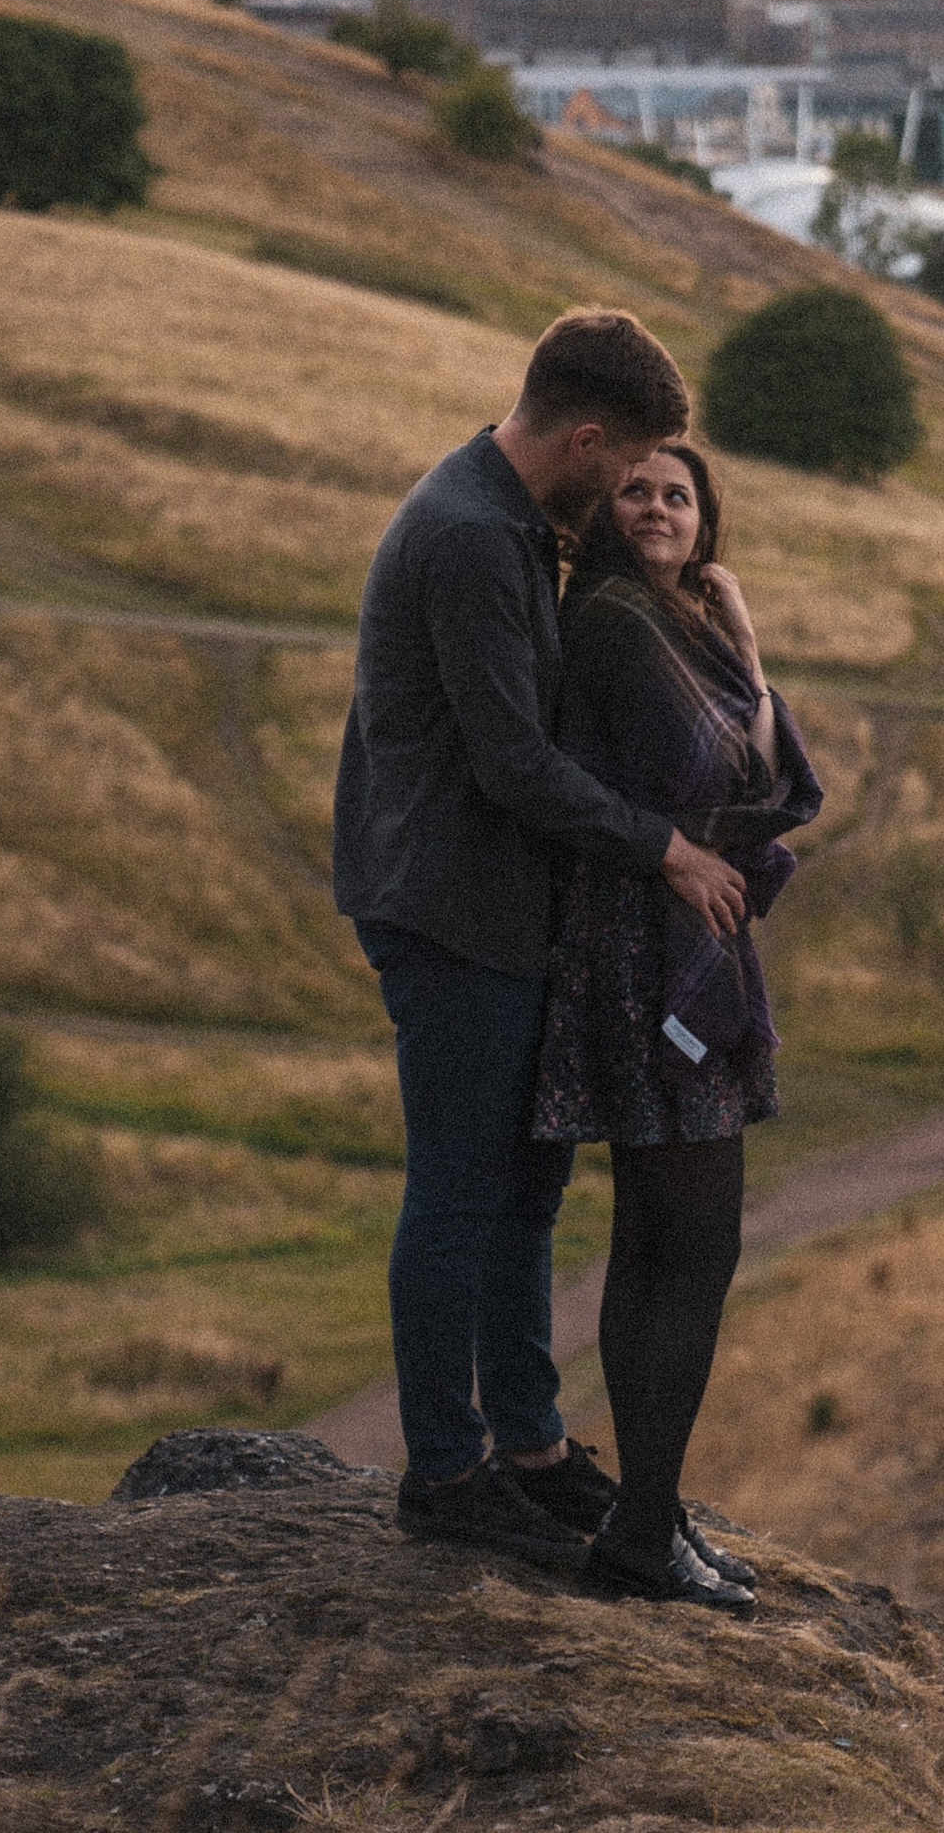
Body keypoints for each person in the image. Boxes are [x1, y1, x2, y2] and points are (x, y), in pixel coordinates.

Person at [333, 310, 749, 1578]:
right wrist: (668, 849)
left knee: (524, 1191)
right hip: (449, 903)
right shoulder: (468, 534)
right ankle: (445, 1471)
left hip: (496, 905)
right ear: (581, 435)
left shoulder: (511, 521)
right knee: (459, 1194)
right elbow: (512, 762)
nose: (626, 492)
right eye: (621, 467)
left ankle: (528, 1442)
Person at [534, 442, 821, 1608]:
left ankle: (647, 1519)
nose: (655, 506)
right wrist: (749, 676)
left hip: (655, 939)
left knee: (661, 1239)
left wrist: (742, 645)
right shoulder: (613, 618)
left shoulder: (671, 623)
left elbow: (756, 778)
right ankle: (645, 1527)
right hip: (645, 952)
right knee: (689, 1244)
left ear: (706, 522)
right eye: (636, 489)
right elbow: (738, 778)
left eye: (678, 494)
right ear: (601, 510)